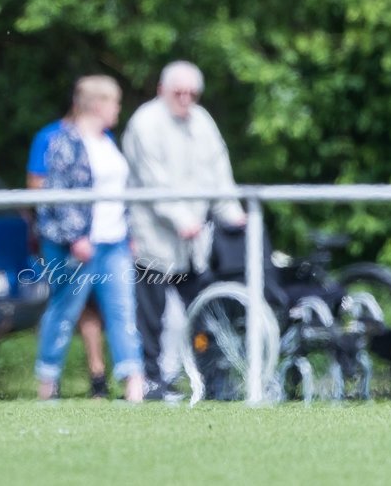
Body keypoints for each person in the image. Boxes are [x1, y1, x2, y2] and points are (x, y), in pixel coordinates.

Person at [121, 60, 246, 402]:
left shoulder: (203, 121)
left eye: (193, 93)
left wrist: (232, 212)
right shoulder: (145, 124)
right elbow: (153, 184)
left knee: (204, 310)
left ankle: (211, 377)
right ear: (162, 90)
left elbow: (219, 171)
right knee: (151, 317)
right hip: (153, 240)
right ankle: (150, 380)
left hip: (194, 246)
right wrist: (182, 221)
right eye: (179, 92)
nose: (186, 99)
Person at [33, 76, 145, 403]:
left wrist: (129, 233)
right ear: (98, 104)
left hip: (114, 243)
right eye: (115, 102)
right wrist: (75, 237)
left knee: (123, 313)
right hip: (77, 246)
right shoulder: (64, 141)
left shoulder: (107, 141)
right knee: (64, 312)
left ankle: (134, 385)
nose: (118, 110)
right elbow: (56, 194)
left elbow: (120, 193)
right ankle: (47, 385)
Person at [27, 118, 110, 398]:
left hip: (98, 238)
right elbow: (35, 184)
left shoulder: (104, 135)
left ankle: (97, 376)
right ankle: (50, 382)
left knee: (90, 308)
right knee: (67, 305)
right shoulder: (48, 136)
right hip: (61, 240)